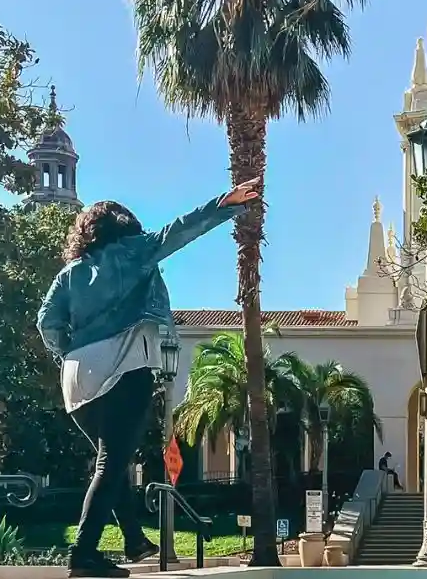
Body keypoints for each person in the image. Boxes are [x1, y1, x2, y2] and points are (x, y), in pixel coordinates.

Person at [37, 180, 260, 578]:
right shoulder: (132, 252)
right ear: (125, 226)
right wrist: (224, 205)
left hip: (74, 377)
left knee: (114, 462)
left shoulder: (67, 274)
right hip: (122, 364)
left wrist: (73, 348)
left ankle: (133, 539)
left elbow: (46, 322)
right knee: (112, 461)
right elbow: (177, 232)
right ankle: (83, 554)